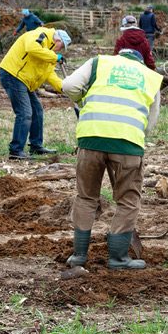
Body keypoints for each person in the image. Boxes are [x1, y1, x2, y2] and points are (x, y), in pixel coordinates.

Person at [60, 49, 162, 271]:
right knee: (128, 200)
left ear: (119, 56)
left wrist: (82, 102)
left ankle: (78, 256)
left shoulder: (98, 62)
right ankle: (118, 258)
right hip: (128, 143)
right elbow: (151, 120)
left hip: (90, 139)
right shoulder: (150, 75)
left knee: (86, 197)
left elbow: (68, 86)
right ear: (140, 61)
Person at [0, 26, 71, 160]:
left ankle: (36, 146)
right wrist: (55, 57)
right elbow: (32, 48)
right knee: (25, 113)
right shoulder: (40, 35)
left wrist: (64, 87)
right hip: (13, 74)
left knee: (37, 111)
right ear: (58, 40)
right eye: (62, 47)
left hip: (24, 80)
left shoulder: (47, 52)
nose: (60, 50)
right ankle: (16, 150)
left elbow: (49, 74)